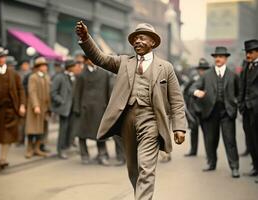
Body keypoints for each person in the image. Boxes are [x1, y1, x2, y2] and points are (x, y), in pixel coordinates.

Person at [76, 21, 186, 199]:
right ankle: (140, 195)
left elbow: (176, 100)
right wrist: (85, 38)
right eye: (135, 38)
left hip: (151, 120)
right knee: (133, 168)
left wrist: (179, 127)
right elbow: (100, 58)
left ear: (153, 42)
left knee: (146, 165)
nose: (137, 41)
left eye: (142, 37)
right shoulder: (123, 62)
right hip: (126, 119)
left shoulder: (165, 67)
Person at [191, 47, 240, 178]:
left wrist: (235, 104)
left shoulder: (233, 75)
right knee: (210, 140)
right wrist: (197, 92)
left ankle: (234, 167)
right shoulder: (206, 75)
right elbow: (193, 87)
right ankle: (211, 163)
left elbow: (239, 92)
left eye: (221, 56)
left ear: (226, 58)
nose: (218, 58)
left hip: (227, 112)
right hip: (210, 112)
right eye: (216, 56)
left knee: (230, 140)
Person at [72, 57, 111, 166]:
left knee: (101, 134)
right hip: (85, 109)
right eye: (89, 58)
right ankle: (84, 155)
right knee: (82, 134)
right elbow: (76, 93)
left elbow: (108, 92)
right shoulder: (81, 75)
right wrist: (77, 109)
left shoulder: (104, 74)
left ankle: (102, 155)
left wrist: (108, 107)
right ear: (85, 60)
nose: (92, 60)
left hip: (100, 108)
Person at [0, 47, 26, 169]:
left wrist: (22, 105)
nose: (2, 60)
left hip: (10, 110)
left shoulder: (13, 74)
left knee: (7, 135)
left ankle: (3, 159)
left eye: (3, 57)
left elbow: (20, 89)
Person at [238, 39, 258, 183]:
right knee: (250, 140)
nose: (248, 55)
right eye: (247, 52)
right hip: (247, 109)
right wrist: (241, 104)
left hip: (256, 109)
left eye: (250, 52)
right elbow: (242, 86)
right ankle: (255, 167)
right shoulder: (246, 65)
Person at [51, 59, 80, 159]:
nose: (77, 68)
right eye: (75, 66)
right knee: (63, 130)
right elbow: (53, 93)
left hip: (73, 108)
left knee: (71, 129)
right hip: (64, 109)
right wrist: (62, 101)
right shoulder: (59, 77)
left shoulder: (75, 77)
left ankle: (67, 146)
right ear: (70, 67)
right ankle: (61, 150)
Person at [25, 57, 51, 158]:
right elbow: (32, 92)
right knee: (32, 129)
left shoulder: (47, 77)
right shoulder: (33, 77)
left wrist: (50, 107)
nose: (45, 67)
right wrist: (35, 105)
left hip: (45, 108)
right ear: (38, 67)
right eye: (43, 66)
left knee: (42, 129)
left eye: (45, 65)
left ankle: (37, 148)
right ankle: (29, 149)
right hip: (35, 108)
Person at [184, 58, 210, 157]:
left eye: (205, 69)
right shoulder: (194, 79)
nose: (202, 71)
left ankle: (209, 152)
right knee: (194, 130)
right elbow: (186, 91)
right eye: (201, 69)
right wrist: (188, 106)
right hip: (194, 109)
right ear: (198, 70)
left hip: (206, 109)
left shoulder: (209, 79)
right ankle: (193, 150)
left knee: (207, 132)